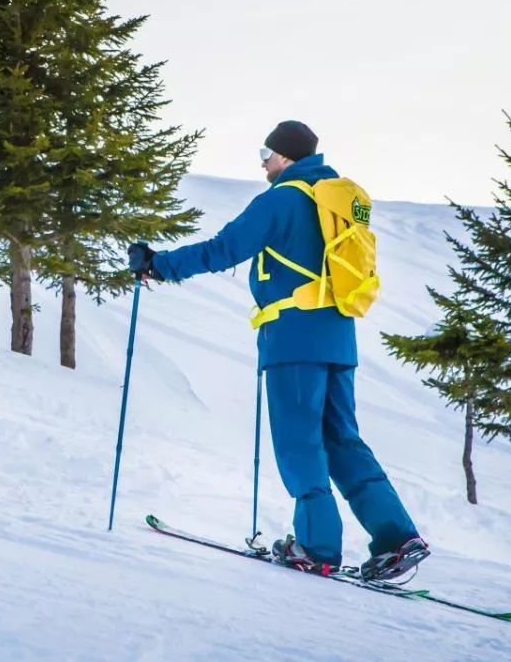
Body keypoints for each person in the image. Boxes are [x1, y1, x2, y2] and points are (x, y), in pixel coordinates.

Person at [128, 121, 427, 580]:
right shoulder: (340, 200)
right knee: (342, 439)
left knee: (299, 441)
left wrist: (159, 265)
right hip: (338, 336)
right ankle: (397, 538)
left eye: (265, 152)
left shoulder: (283, 198)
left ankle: (317, 547)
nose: (262, 161)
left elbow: (224, 249)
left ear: (285, 156)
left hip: (292, 337)